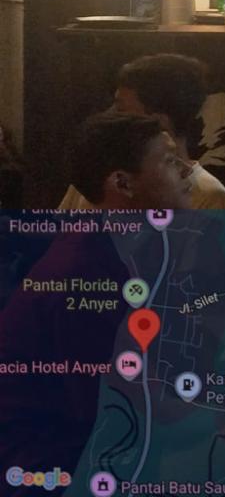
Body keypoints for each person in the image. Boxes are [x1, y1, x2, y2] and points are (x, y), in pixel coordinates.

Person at [0, 113, 191, 474]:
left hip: (93, 437)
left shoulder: (117, 250)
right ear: (123, 183)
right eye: (169, 161)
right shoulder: (83, 275)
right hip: (52, 464)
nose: (186, 170)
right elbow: (117, 419)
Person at [57, 53, 225, 210]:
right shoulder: (99, 172)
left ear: (158, 123)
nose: (109, 115)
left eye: (121, 109)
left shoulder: (206, 195)